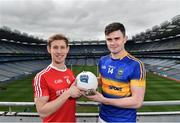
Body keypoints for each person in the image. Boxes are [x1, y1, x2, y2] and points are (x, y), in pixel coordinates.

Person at [85, 22, 146, 122]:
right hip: (103, 117)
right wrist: (85, 80)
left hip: (124, 120)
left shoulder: (136, 65)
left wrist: (104, 100)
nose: (113, 43)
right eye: (109, 39)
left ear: (125, 39)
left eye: (117, 38)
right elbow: (102, 80)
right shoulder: (103, 60)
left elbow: (137, 102)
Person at [32, 33, 82, 122]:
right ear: (49, 49)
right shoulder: (41, 77)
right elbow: (42, 112)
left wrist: (80, 92)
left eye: (62, 47)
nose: (59, 51)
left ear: (67, 49)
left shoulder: (69, 72)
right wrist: (67, 93)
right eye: (55, 47)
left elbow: (71, 97)